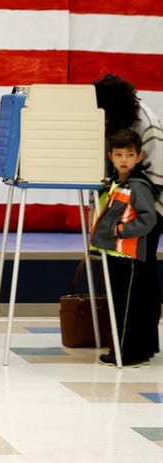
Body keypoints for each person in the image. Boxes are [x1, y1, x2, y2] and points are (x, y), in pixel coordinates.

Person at [90, 128, 161, 366]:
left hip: (128, 254)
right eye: (119, 155)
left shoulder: (138, 186)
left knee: (127, 305)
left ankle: (127, 353)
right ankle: (130, 350)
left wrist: (120, 231)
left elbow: (148, 219)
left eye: (129, 155)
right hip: (117, 252)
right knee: (122, 302)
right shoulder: (118, 183)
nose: (124, 160)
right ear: (110, 156)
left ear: (139, 157)